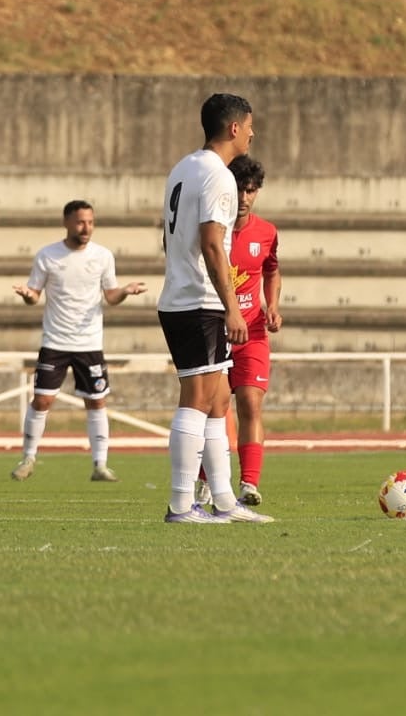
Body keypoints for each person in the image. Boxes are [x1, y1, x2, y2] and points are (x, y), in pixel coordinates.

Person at [157, 92, 274, 524]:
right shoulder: (219, 177)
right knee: (198, 398)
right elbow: (211, 242)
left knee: (220, 399)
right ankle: (180, 503)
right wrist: (232, 307)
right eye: (249, 125)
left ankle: (224, 499)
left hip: (186, 296)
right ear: (233, 128)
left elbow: (168, 237)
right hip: (198, 301)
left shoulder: (183, 168)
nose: (252, 132)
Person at [10, 200, 146, 483]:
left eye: (91, 222)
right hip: (55, 342)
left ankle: (100, 465)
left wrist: (125, 291)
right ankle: (28, 458)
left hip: (89, 343)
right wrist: (27, 295)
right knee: (42, 400)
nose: (86, 228)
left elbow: (111, 296)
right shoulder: (47, 255)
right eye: (81, 222)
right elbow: (34, 294)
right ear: (67, 222)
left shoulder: (103, 256)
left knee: (96, 402)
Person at [222, 154, 281, 506]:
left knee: (250, 404)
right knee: (213, 409)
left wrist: (271, 305)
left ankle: (249, 483)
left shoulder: (267, 232)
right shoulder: (212, 230)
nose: (244, 198)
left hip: (253, 333)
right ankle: (204, 480)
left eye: (250, 190)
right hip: (215, 331)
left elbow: (272, 270)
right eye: (238, 190)